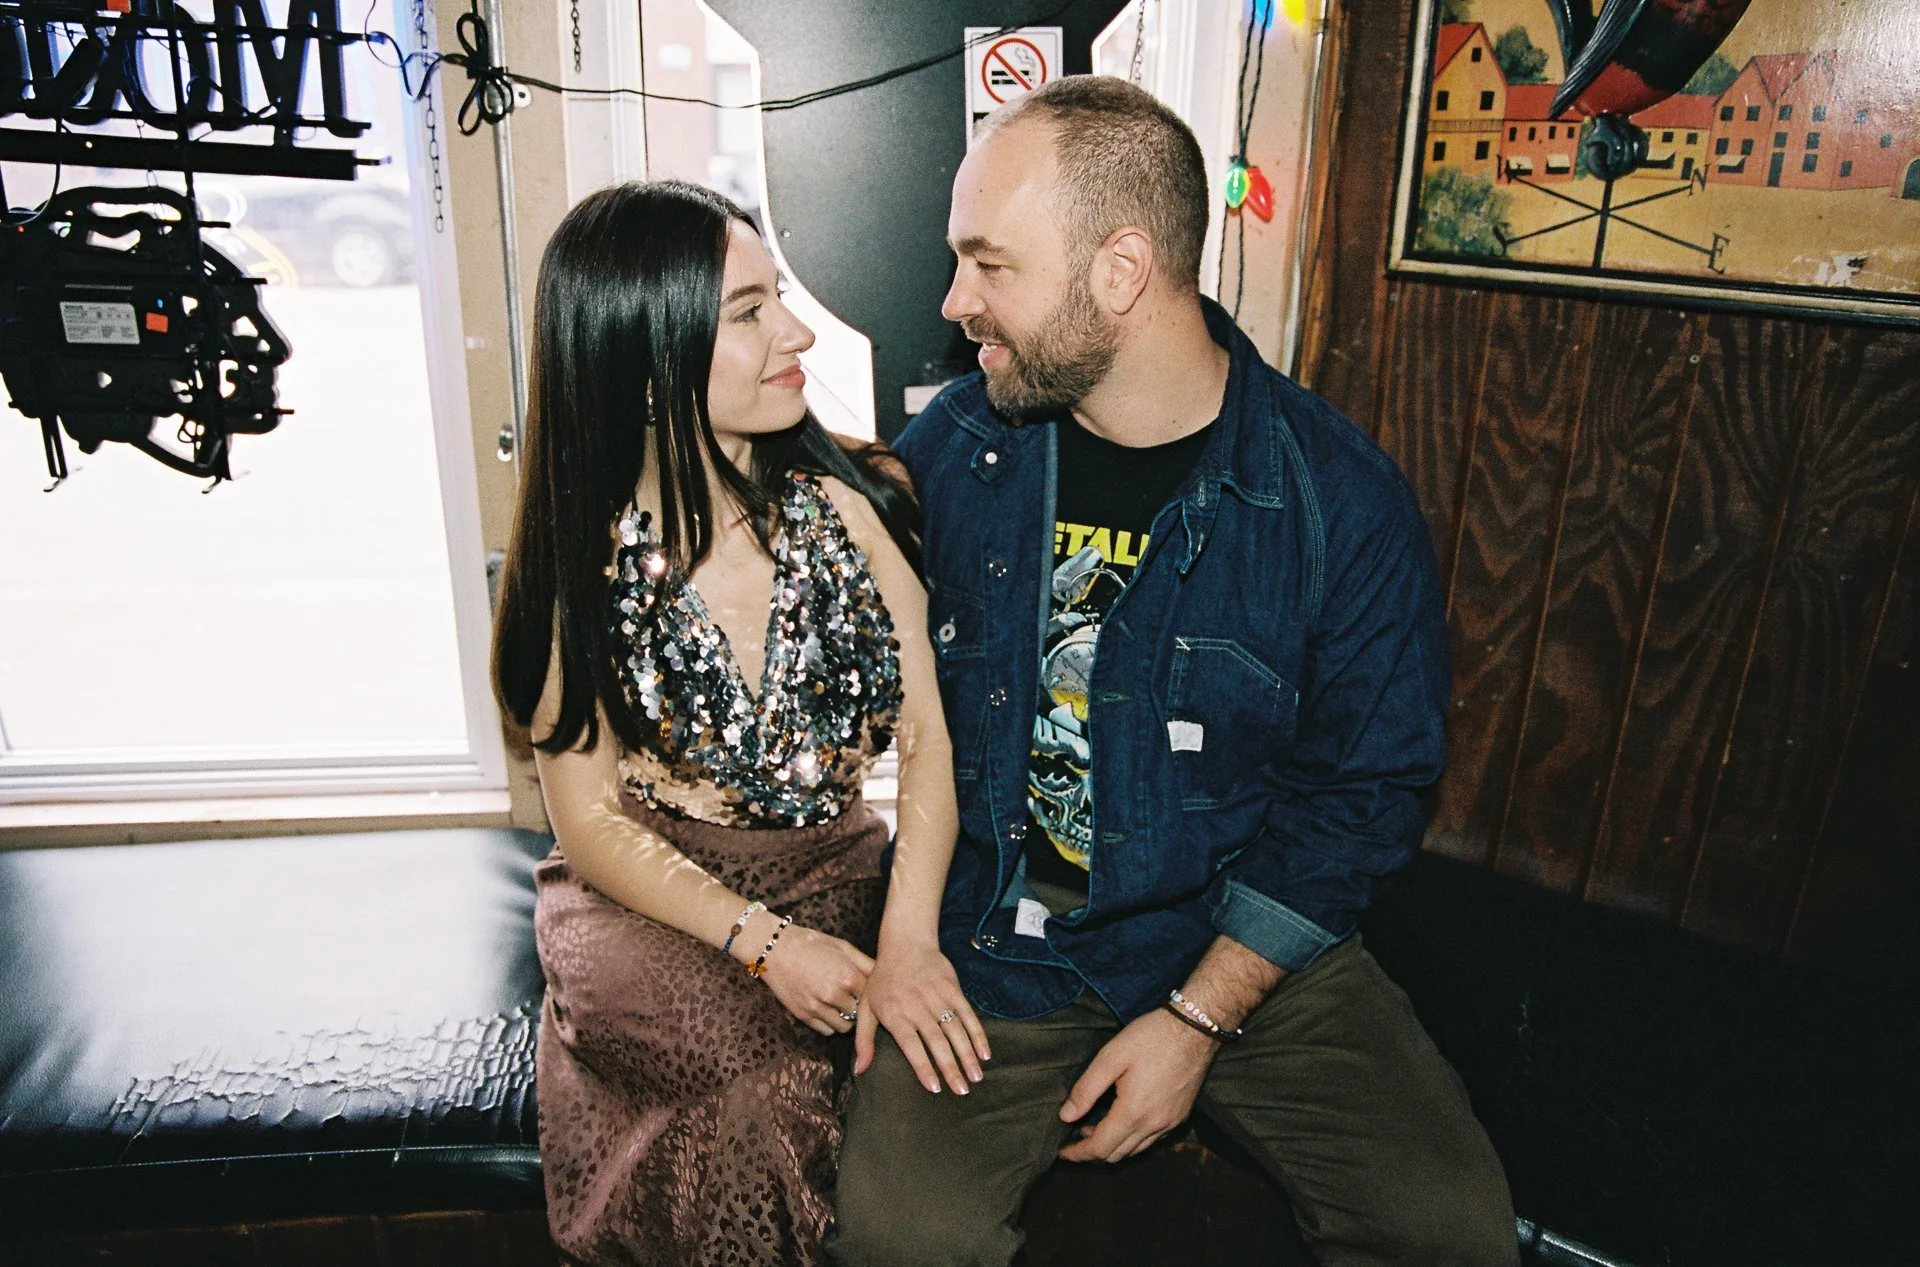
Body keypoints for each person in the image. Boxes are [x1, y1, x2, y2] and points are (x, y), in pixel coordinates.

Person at [830, 78, 1519, 1267]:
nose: (955, 304)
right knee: (898, 1236)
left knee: (1448, 1228)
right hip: (996, 936)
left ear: (1120, 269)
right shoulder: (958, 449)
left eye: (990, 265)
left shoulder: (1335, 504)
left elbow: (1363, 797)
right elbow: (881, 689)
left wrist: (1197, 1021)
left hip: (1235, 932)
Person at [490, 180, 990, 1267]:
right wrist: (767, 947)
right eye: (752, 310)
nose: (798, 331)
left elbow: (931, 746)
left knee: (780, 1102)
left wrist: (905, 941)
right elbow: (589, 827)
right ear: (647, 356)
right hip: (642, 899)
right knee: (764, 1086)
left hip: (832, 873)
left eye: (783, 298)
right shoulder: (579, 561)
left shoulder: (862, 502)